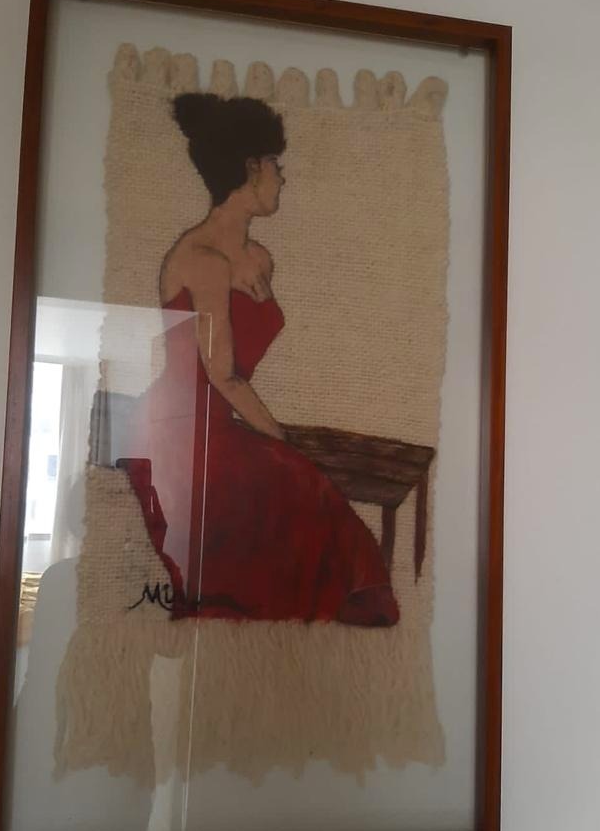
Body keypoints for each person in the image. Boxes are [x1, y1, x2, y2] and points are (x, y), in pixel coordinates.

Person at [124, 92, 399, 627]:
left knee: (298, 488)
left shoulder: (259, 260)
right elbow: (223, 374)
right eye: (276, 163)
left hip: (220, 424)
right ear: (251, 168)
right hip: (179, 432)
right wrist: (281, 438)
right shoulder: (201, 259)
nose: (282, 176)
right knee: (297, 483)